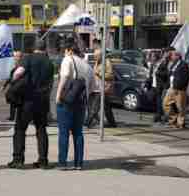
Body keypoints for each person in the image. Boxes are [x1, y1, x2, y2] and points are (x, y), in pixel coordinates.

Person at [9, 40, 53, 169]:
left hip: (28, 100)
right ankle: (43, 160)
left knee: (20, 129)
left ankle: (18, 159)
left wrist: (12, 83)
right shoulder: (49, 63)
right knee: (41, 130)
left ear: (34, 48)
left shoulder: (29, 58)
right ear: (45, 48)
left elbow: (18, 72)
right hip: (43, 101)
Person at [55, 41, 95, 170]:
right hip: (81, 103)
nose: (64, 54)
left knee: (64, 132)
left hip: (67, 101)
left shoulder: (68, 59)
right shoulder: (87, 66)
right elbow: (92, 86)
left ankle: (62, 163)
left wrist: (58, 94)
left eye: (65, 51)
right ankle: (79, 163)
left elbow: (65, 76)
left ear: (70, 51)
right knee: (78, 133)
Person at [86, 48, 117, 128]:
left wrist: (99, 74)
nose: (94, 57)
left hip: (103, 88)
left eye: (96, 56)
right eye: (94, 55)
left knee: (95, 106)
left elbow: (110, 75)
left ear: (101, 55)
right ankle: (112, 123)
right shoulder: (97, 62)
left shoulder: (107, 62)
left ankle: (88, 123)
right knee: (107, 107)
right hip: (97, 87)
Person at [163, 47, 189, 129]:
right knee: (165, 104)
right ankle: (173, 119)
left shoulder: (183, 65)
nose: (171, 57)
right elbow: (170, 75)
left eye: (173, 55)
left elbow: (185, 78)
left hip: (179, 90)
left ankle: (180, 123)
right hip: (171, 88)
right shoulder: (173, 64)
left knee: (180, 107)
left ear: (178, 56)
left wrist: (179, 87)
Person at [147, 51, 170, 125]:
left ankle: (159, 116)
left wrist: (158, 73)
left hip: (159, 86)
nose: (151, 58)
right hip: (153, 85)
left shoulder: (161, 64)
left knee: (159, 101)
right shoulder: (152, 65)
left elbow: (166, 74)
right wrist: (147, 83)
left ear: (156, 58)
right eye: (151, 57)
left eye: (152, 57)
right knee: (150, 98)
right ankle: (158, 114)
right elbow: (151, 75)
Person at [2, 50, 23, 121]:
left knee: (19, 103)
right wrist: (4, 86)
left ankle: (18, 117)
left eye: (18, 56)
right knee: (12, 102)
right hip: (13, 87)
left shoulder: (23, 66)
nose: (16, 58)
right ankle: (12, 116)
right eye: (16, 56)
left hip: (20, 87)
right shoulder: (14, 66)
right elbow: (10, 77)